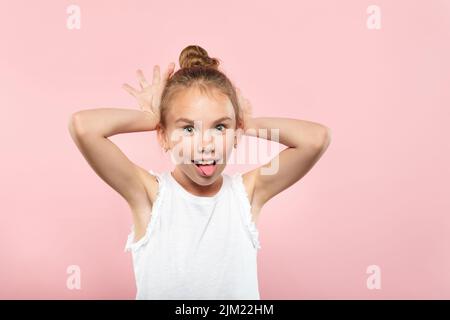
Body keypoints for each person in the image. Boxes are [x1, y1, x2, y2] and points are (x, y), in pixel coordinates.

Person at [68, 44, 332, 299]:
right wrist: (152, 117)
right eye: (188, 129)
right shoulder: (149, 196)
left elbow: (316, 139)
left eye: (219, 128)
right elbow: (83, 127)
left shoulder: (247, 194)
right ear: (164, 136)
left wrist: (244, 123)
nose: (206, 143)